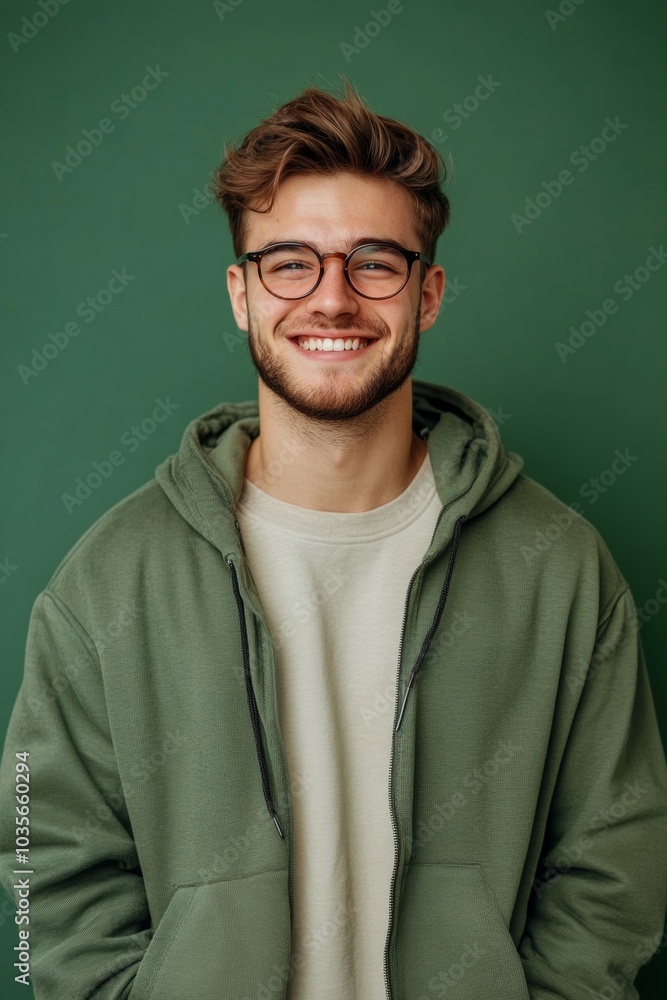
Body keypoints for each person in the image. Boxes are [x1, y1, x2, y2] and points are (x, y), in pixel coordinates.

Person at [1, 78, 666, 1000]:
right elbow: (43, 863)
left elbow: (616, 853)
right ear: (240, 294)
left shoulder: (556, 567)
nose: (332, 299)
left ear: (426, 294)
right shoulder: (108, 583)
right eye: (289, 263)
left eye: (373, 263)